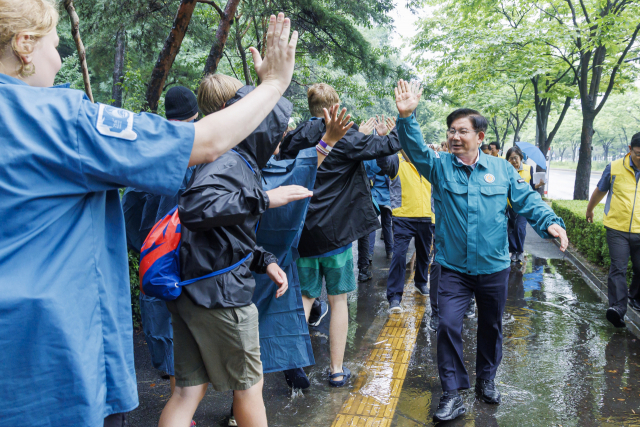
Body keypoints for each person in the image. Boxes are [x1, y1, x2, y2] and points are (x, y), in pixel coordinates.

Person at [0, 2, 300, 424]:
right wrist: (273, 84)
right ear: (24, 45)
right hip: (52, 362)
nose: (61, 58)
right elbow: (206, 142)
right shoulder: (57, 118)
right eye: (56, 45)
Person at [159, 76, 352, 427]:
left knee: (187, 392)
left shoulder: (198, 151)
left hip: (191, 283)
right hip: (221, 291)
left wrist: (263, 260)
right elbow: (199, 208)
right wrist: (266, 198)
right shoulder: (228, 160)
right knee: (250, 387)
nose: (281, 135)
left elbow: (220, 228)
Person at [394, 80, 568, 422]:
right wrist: (406, 117)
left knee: (491, 326)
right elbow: (414, 149)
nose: (454, 137)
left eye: (462, 131)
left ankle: (486, 379)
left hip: (493, 268)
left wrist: (551, 222)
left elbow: (528, 200)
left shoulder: (502, 170)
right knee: (447, 325)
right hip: (452, 268)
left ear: (479, 135)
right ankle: (452, 392)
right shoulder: (440, 166)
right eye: (450, 131)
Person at [279, 83, 402, 387]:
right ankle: (336, 371)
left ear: (311, 107)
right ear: (336, 105)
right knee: (338, 301)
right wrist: (397, 123)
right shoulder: (347, 137)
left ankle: (292, 360)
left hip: (303, 233)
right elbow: (388, 147)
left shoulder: (298, 136)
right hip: (337, 236)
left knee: (306, 296)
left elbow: (280, 157)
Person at [121, 85, 200, 396]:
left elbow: (128, 210)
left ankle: (178, 406)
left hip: (153, 262)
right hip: (191, 264)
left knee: (164, 332)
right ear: (194, 118)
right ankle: (184, 407)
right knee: (188, 331)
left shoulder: (146, 155)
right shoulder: (196, 157)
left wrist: (143, 248)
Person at [586, 132, 640, 328]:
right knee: (618, 268)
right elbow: (601, 189)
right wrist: (590, 208)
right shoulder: (615, 167)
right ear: (630, 150)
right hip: (617, 227)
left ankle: (634, 298)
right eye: (638, 153)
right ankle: (617, 308)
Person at [376, 150, 440, 314]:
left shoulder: (428, 161)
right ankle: (395, 297)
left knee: (425, 253)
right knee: (398, 255)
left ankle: (420, 282)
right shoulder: (395, 161)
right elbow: (382, 162)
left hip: (426, 216)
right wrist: (383, 140)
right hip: (403, 217)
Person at [505, 146, 546, 263]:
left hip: (523, 206)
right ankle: (513, 251)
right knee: (510, 229)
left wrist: (537, 186)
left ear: (521, 157)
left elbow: (531, 187)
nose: (513, 161)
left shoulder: (529, 169)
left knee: (520, 228)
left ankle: (520, 251)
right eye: (510, 158)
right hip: (509, 205)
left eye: (515, 158)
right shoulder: (506, 170)